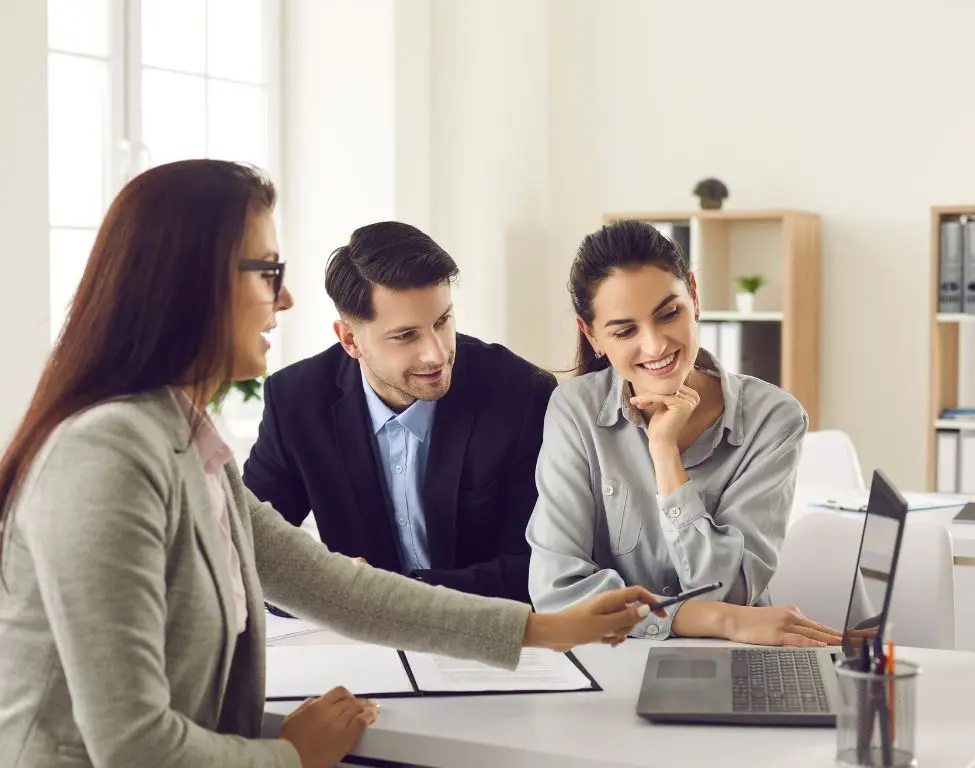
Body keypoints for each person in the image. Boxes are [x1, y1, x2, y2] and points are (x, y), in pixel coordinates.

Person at [0, 161, 661, 768]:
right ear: (192, 287)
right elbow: (135, 748)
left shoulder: (185, 438)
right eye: (267, 274)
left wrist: (545, 629)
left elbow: (329, 586)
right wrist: (292, 754)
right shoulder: (106, 456)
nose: (285, 302)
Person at [526, 218, 842, 647]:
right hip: (613, 662)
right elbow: (558, 594)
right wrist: (716, 619)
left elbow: (731, 592)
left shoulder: (774, 418)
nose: (656, 346)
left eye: (669, 313)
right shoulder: (574, 410)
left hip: (735, 657)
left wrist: (664, 454)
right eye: (625, 331)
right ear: (592, 335)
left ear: (693, 295)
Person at [242, 221, 555, 602]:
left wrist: (388, 595)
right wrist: (325, 583)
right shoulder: (296, 401)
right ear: (350, 340)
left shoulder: (520, 392)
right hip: (360, 645)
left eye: (443, 321)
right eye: (406, 335)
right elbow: (247, 553)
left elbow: (540, 566)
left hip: (490, 635)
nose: (437, 353)